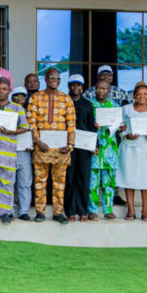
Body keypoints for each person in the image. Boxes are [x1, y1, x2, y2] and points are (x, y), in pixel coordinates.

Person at [27, 68, 75, 224]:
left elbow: (71, 123)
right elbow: (30, 122)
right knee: (40, 181)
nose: (54, 80)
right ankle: (40, 212)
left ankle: (58, 212)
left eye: (57, 78)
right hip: (41, 148)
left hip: (61, 150)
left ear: (60, 81)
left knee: (59, 183)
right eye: (51, 77)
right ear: (45, 79)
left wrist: (70, 145)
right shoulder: (35, 98)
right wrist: (37, 141)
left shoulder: (66, 99)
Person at [0, 78, 29, 224]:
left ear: (9, 91)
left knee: (6, 183)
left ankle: (5, 212)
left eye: (4, 89)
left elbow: (26, 127)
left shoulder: (17, 108)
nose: (1, 91)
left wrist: (11, 132)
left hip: (8, 152)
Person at [116, 82, 147, 221]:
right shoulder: (125, 109)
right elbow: (118, 127)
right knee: (129, 178)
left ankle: (145, 211)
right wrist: (125, 135)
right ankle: (131, 210)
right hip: (129, 147)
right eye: (139, 94)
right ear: (134, 96)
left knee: (146, 180)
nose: (142, 96)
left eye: (145, 94)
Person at [89, 80, 123, 221]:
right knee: (93, 182)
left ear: (109, 91)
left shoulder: (115, 106)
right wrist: (92, 125)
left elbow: (120, 126)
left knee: (109, 182)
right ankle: (92, 210)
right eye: (98, 88)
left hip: (110, 151)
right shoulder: (89, 105)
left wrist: (122, 127)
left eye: (104, 88)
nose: (101, 91)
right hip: (94, 149)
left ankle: (108, 210)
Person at [65, 74, 94, 221]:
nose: (75, 88)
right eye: (72, 85)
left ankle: (83, 211)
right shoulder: (64, 102)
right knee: (69, 178)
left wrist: (94, 145)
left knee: (83, 177)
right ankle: (70, 211)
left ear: (82, 87)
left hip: (84, 146)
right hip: (67, 146)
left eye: (78, 85)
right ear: (69, 86)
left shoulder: (87, 104)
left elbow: (91, 126)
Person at [11, 86, 33, 221]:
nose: (19, 99)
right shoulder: (7, 112)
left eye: (23, 96)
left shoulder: (30, 113)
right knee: (8, 182)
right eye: (17, 96)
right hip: (9, 150)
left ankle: (23, 211)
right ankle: (8, 210)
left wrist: (32, 144)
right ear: (12, 98)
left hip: (25, 152)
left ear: (26, 99)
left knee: (25, 182)